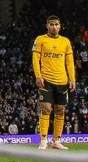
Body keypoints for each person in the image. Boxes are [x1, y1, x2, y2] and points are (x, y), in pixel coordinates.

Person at [32, 15, 76, 150]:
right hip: (46, 81)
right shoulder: (40, 40)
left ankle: (56, 141)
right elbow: (35, 59)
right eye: (51, 24)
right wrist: (38, 76)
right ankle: (43, 140)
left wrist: (72, 78)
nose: (54, 27)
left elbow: (69, 62)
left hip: (62, 81)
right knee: (46, 109)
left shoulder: (66, 42)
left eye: (56, 24)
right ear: (47, 26)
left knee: (60, 110)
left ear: (60, 26)